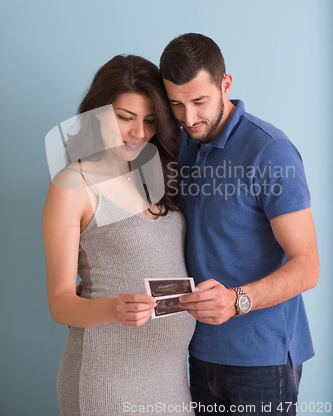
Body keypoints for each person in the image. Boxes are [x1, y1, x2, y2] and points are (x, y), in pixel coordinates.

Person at [159, 33, 320, 415]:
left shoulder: (270, 150)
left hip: (262, 360)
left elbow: (307, 265)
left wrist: (237, 300)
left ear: (225, 83)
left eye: (200, 101)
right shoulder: (180, 145)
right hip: (198, 351)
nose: (189, 118)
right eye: (177, 105)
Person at [42, 55, 196, 416]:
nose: (139, 133)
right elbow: (59, 301)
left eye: (150, 121)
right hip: (106, 379)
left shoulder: (157, 174)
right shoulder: (74, 184)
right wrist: (113, 308)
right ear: (96, 114)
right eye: (125, 118)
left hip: (171, 378)